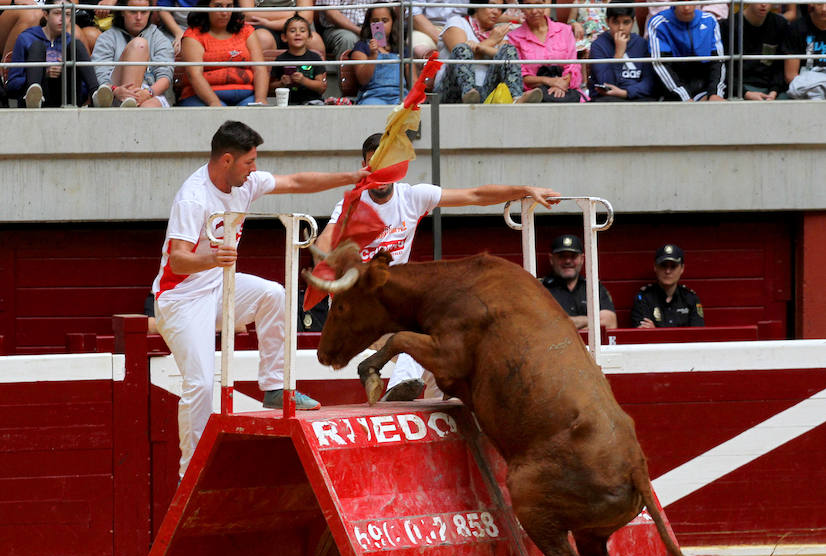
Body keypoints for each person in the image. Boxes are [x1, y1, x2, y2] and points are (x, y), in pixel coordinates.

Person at [152, 120, 367, 478]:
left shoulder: (245, 184)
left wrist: (352, 177)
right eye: (249, 162)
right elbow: (176, 259)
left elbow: (297, 182)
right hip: (181, 298)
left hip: (218, 286)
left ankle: (274, 388)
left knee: (275, 295)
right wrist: (212, 259)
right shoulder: (194, 196)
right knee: (203, 383)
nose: (254, 169)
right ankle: (191, 470)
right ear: (226, 160)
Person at [315, 132, 560, 400]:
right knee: (420, 332)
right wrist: (335, 273)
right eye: (374, 166)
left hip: (392, 298)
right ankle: (399, 388)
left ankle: (435, 410)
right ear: (364, 167)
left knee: (439, 356)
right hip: (357, 299)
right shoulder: (352, 203)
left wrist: (526, 190)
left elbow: (475, 195)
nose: (381, 174)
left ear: (397, 166)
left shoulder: (413, 196)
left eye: (387, 166)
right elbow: (325, 240)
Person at [7, 2, 109, 108]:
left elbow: (82, 88)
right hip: (36, 100)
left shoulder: (70, 41)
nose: (63, 19)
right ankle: (33, 95)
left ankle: (96, 94)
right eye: (57, 13)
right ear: (46, 15)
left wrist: (65, 71)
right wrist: (43, 73)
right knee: (37, 46)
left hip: (66, 98)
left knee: (76, 44)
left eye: (68, 14)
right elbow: (12, 85)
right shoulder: (26, 38)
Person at [439, 0, 542, 104]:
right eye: (492, 6)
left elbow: (506, 55)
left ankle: (516, 97)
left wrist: (480, 47)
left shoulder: (498, 32)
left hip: (485, 91)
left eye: (500, 9)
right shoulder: (457, 22)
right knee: (463, 48)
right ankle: (468, 92)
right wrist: (492, 42)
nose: (496, 12)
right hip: (452, 90)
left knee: (509, 50)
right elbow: (460, 53)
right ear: (477, 5)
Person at [178, 0, 269, 107]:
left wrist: (260, 99)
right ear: (206, 7)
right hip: (203, 97)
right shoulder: (193, 35)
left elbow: (260, 68)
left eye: (229, 6)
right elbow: (195, 75)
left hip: (247, 95)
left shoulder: (246, 30)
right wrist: (214, 103)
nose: (225, 12)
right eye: (218, 6)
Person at [91, 0, 174, 108]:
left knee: (149, 107)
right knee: (139, 44)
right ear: (122, 11)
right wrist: (116, 90)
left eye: (144, 12)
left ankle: (130, 103)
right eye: (133, 11)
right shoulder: (107, 38)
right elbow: (101, 75)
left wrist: (148, 93)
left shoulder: (159, 38)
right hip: (115, 92)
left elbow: (165, 76)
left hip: (150, 92)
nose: (139, 17)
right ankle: (130, 102)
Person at [507, 0, 585, 102]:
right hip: (534, 95)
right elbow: (520, 75)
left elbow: (573, 66)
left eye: (538, 4)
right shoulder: (514, 37)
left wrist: (561, 84)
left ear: (545, 4)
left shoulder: (564, 30)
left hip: (567, 91)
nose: (534, 11)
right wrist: (550, 81)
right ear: (521, 8)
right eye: (528, 6)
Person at [649, 3, 726, 101]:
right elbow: (660, 65)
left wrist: (714, 93)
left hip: (704, 88)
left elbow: (717, 62)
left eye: (690, 0)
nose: (686, 7)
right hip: (672, 92)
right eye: (681, 1)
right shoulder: (658, 23)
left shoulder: (710, 21)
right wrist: (684, 97)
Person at [541, 233, 617, 330]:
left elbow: (610, 323)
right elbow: (540, 325)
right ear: (551, 259)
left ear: (582, 259)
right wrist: (591, 321)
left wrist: (562, 324)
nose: (568, 261)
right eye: (562, 256)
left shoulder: (594, 288)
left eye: (573, 256)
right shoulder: (540, 289)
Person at [588, 1, 657, 101]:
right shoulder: (598, 45)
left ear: (633, 22)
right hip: (608, 98)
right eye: (616, 22)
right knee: (607, 100)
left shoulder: (642, 44)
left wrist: (626, 93)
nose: (621, 28)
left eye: (626, 22)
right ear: (607, 22)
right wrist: (618, 54)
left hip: (635, 95)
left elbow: (649, 82)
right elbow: (605, 83)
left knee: (651, 103)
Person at [721, 2, 791, 100]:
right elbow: (725, 68)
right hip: (740, 88)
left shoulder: (780, 24)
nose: (763, 4)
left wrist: (774, 91)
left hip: (772, 89)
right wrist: (745, 93)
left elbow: (780, 65)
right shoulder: (729, 25)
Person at [630, 244, 705, 328]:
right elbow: (643, 335)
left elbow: (697, 336)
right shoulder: (644, 299)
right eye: (663, 265)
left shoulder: (690, 299)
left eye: (673, 266)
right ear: (655, 267)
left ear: (682, 268)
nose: (668, 271)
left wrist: (656, 332)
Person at [350, 5, 406, 104]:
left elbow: (413, 79)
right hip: (373, 95)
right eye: (375, 21)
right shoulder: (362, 46)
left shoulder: (402, 47)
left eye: (384, 21)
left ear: (392, 22)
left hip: (400, 95)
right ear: (369, 23)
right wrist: (373, 55)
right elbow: (362, 80)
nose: (380, 25)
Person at [275, 13, 325, 105]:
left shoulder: (315, 58)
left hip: (313, 102)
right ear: (284, 37)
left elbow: (321, 87)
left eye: (302, 31)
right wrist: (282, 83)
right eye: (293, 31)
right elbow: (270, 87)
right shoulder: (280, 59)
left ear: (309, 37)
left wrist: (304, 81)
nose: (297, 33)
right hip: (287, 103)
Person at [785, 3, 826, 99]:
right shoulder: (797, 28)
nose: (824, 9)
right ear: (811, 3)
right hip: (806, 88)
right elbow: (790, 76)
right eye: (820, 3)